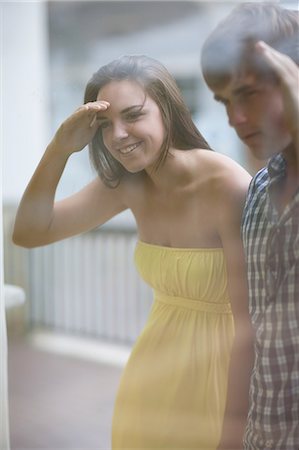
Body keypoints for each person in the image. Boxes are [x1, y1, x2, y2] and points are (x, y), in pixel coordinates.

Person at [12, 54, 253, 449]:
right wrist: (59, 149)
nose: (118, 134)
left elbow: (252, 322)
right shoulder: (129, 185)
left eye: (134, 115)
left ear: (168, 111)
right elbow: (29, 232)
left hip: (223, 384)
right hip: (150, 381)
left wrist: (234, 426)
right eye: (106, 124)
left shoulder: (226, 185)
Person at [201, 2, 299, 449]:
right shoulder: (257, 192)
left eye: (250, 92)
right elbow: (250, 335)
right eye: (225, 101)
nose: (234, 119)